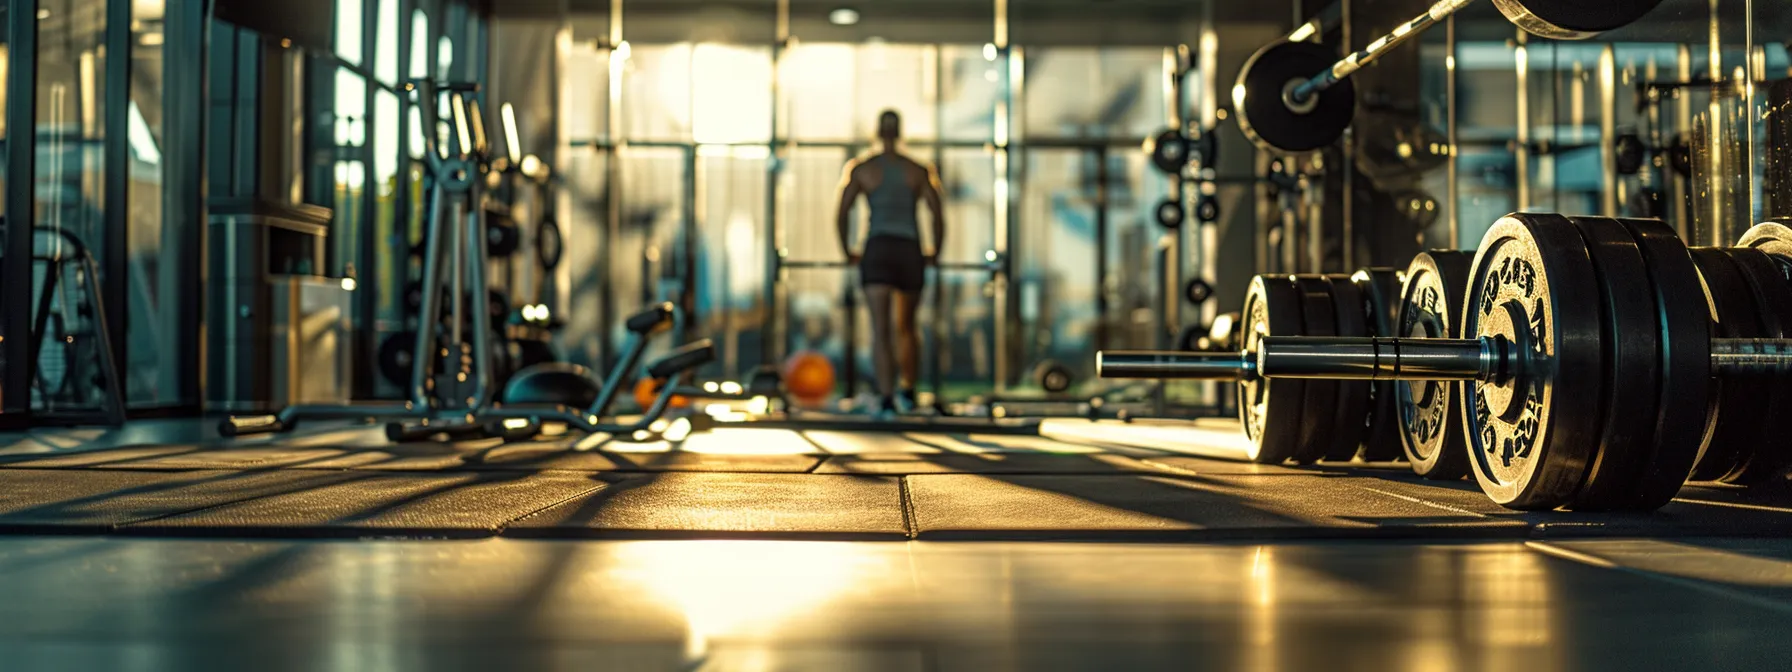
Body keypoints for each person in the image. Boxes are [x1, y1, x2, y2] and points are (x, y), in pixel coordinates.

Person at [835, 110, 945, 417]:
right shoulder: (917, 171)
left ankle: (887, 398)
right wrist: (936, 251)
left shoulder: (863, 170)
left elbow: (842, 213)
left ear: (876, 131)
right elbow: (938, 214)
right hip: (908, 249)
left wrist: (847, 251)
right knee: (907, 327)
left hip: (878, 249)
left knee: (880, 328)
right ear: (900, 132)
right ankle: (907, 392)